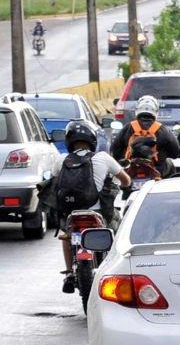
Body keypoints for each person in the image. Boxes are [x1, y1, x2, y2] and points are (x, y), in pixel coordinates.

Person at [55, 120, 131, 281]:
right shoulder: (102, 157)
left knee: (66, 234)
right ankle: (116, 267)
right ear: (92, 139)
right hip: (97, 212)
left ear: (69, 140)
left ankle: (69, 272)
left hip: (71, 213)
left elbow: (55, 182)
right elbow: (126, 181)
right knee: (119, 229)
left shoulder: (61, 160)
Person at [111, 96, 180, 179]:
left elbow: (115, 150)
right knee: (170, 165)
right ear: (155, 111)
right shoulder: (162, 129)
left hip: (131, 169)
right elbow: (175, 153)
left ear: (137, 109)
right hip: (157, 169)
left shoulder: (128, 127)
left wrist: (123, 160)